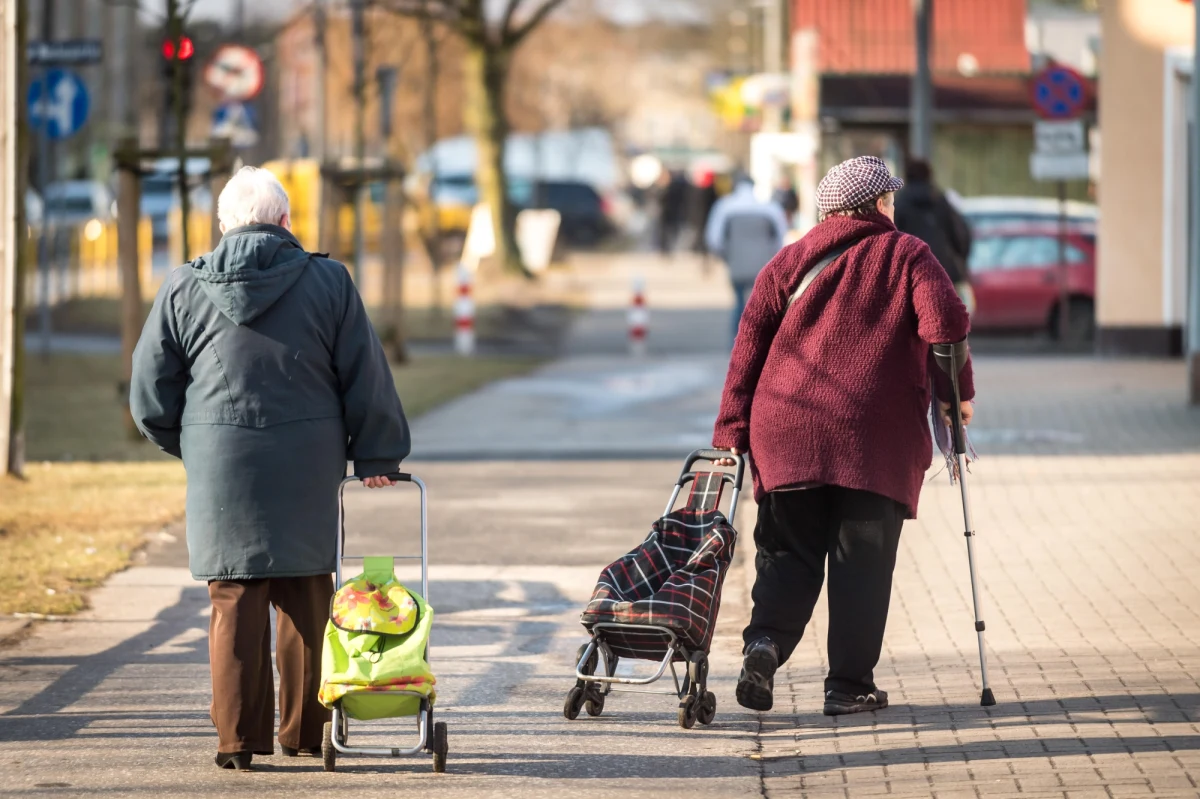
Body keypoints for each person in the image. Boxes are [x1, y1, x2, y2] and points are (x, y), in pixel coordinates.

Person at [130, 166, 411, 771]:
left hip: (221, 465)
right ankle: (305, 734)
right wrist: (378, 453)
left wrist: (194, 445)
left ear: (223, 224)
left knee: (233, 596)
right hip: (308, 461)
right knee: (307, 592)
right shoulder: (329, 282)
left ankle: (237, 741)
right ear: (285, 220)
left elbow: (150, 394)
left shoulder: (182, 287)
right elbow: (364, 372)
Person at [712, 156, 974, 716]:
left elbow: (748, 347)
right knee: (861, 566)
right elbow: (946, 325)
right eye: (890, 200)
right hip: (870, 442)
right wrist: (957, 397)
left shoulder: (789, 260)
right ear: (879, 204)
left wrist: (731, 427)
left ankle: (764, 646)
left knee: (788, 553)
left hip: (786, 431)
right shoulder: (907, 254)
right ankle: (849, 687)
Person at [704, 176, 790, 344]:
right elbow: (781, 237)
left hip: (737, 264)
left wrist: (727, 256)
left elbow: (714, 239)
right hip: (762, 264)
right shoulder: (769, 208)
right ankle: (759, 343)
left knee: (738, 304)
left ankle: (737, 343)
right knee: (760, 305)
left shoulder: (725, 207)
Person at [894, 159, 974, 310]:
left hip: (911, 275)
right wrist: (960, 263)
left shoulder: (899, 205)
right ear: (929, 176)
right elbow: (961, 235)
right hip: (944, 272)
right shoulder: (941, 201)